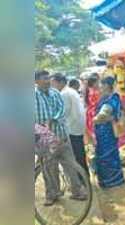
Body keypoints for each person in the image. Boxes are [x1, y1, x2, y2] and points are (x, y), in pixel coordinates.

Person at [35, 70, 87, 206]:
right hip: (43, 141)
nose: (47, 81)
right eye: (44, 78)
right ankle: (52, 194)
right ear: (36, 81)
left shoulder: (56, 93)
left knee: (70, 165)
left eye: (48, 78)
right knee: (48, 169)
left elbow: (62, 110)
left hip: (62, 136)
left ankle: (77, 191)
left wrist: (53, 119)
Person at [51, 73, 90, 179]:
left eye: (53, 83)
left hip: (72, 129)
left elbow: (63, 113)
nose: (52, 86)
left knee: (76, 157)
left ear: (61, 82)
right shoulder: (71, 91)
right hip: (77, 128)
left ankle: (81, 180)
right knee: (80, 155)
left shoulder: (64, 94)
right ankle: (84, 178)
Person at [92, 76, 125, 188]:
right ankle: (117, 179)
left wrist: (94, 120)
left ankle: (109, 181)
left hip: (106, 133)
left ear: (106, 85)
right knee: (111, 154)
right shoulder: (112, 97)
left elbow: (102, 115)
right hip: (107, 132)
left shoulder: (110, 100)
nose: (99, 87)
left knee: (106, 156)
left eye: (101, 84)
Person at [85, 73, 100, 145]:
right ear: (93, 83)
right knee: (95, 133)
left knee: (92, 132)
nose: (99, 84)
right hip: (94, 113)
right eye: (97, 83)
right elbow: (98, 103)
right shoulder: (94, 92)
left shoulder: (89, 90)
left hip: (90, 113)